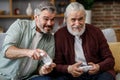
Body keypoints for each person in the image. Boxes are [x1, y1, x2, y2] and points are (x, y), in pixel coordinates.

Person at [53, 2, 115, 80]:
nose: (77, 23)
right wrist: (68, 68)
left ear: (85, 18)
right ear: (66, 19)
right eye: (73, 19)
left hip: (97, 73)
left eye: (80, 19)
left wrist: (98, 66)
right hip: (72, 75)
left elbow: (110, 59)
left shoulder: (96, 32)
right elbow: (56, 65)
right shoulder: (59, 35)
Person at [0, 1, 56, 80]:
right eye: (46, 19)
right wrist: (28, 52)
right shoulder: (20, 25)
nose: (50, 23)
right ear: (36, 17)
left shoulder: (50, 38)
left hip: (28, 78)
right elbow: (7, 51)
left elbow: (41, 67)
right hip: (5, 76)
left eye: (52, 19)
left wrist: (42, 70)